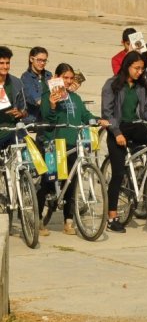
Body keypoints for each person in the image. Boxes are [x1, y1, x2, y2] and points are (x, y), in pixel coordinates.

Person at [39, 63, 109, 236]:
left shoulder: (75, 98)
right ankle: (39, 219)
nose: (69, 82)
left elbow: (84, 115)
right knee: (47, 182)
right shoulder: (48, 96)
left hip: (73, 145)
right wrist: (53, 105)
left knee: (72, 183)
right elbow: (48, 118)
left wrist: (97, 120)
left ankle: (68, 221)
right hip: (55, 144)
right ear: (56, 78)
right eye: (65, 78)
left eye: (71, 78)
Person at [101, 51, 147, 233]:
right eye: (136, 68)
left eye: (142, 69)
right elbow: (107, 114)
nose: (140, 72)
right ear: (127, 67)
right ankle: (112, 216)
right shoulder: (112, 85)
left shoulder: (141, 87)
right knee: (117, 173)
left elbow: (145, 110)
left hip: (135, 126)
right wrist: (116, 133)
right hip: (117, 128)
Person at [0, 46, 27, 151]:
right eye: (1, 63)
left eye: (7, 63)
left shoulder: (16, 82)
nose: (5, 66)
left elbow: (25, 110)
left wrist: (20, 113)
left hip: (13, 129)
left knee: (31, 156)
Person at [21, 46, 52, 124]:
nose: (42, 63)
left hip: (48, 116)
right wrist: (53, 103)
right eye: (39, 60)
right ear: (31, 59)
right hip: (34, 119)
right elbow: (36, 100)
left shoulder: (48, 75)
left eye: (44, 61)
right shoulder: (26, 78)